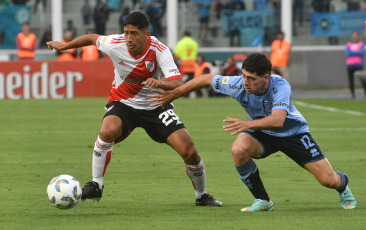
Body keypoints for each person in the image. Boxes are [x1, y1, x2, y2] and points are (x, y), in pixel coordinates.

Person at [46, 11, 222, 207]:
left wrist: (160, 83)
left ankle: (201, 196)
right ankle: (97, 184)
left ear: (147, 34)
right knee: (107, 130)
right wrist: (65, 46)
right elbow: (91, 38)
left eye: (134, 33)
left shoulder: (159, 50)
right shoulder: (115, 43)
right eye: (126, 32)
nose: (129, 38)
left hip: (155, 105)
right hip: (124, 103)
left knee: (189, 150)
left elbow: (178, 84)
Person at [148, 53, 357, 212]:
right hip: (262, 132)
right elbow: (205, 79)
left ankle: (343, 186)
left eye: (251, 79)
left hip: (293, 134)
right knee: (239, 148)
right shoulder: (239, 84)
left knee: (328, 180)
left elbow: (278, 120)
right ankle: (263, 200)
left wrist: (247, 125)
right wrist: (174, 93)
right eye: (244, 76)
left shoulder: (280, 86)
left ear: (267, 77)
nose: (245, 82)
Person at [345, 31, 364, 99]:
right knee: (351, 81)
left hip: (359, 65)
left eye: (356, 35)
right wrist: (357, 52)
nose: (355, 37)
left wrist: (353, 52)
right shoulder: (349, 44)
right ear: (352, 36)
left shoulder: (361, 44)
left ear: (358, 36)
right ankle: (352, 95)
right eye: (354, 35)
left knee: (363, 80)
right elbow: (348, 53)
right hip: (350, 65)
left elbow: (361, 52)